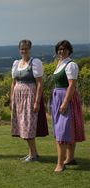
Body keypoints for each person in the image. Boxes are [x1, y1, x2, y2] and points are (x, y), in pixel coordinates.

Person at [10, 39, 48, 162]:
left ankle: (33, 155)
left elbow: (40, 84)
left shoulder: (35, 62)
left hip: (29, 96)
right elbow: (13, 83)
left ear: (30, 49)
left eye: (26, 48)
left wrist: (37, 101)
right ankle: (33, 153)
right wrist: (12, 99)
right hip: (18, 97)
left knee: (28, 126)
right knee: (22, 125)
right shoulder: (16, 63)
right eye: (22, 48)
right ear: (19, 49)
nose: (24, 51)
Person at [50, 40, 85, 172]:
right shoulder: (60, 63)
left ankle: (60, 163)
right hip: (58, 97)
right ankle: (70, 158)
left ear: (69, 50)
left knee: (62, 131)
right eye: (59, 49)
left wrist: (64, 102)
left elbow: (72, 85)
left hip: (66, 98)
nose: (61, 51)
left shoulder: (71, 65)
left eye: (64, 49)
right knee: (67, 129)